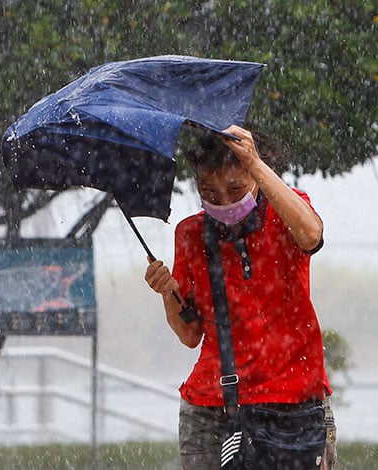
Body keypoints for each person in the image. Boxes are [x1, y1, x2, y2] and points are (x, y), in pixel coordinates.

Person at [144, 125, 336, 469]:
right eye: (210, 193)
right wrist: (165, 292)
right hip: (213, 408)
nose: (225, 201)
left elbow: (311, 235)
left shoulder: (285, 213)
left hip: (295, 405)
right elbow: (189, 334)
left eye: (236, 188)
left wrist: (255, 163)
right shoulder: (190, 234)